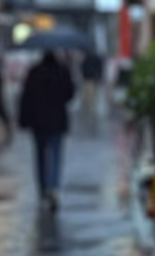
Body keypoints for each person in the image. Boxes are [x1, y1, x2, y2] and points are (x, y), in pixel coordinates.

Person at [18, 51, 74, 211]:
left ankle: (42, 188)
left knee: (40, 156)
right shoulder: (63, 71)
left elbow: (26, 97)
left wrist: (23, 120)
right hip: (57, 121)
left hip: (38, 122)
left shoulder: (34, 72)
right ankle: (53, 186)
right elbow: (70, 93)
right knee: (55, 154)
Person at [80, 50, 104, 120]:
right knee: (92, 93)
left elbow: (83, 68)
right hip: (93, 78)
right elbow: (99, 68)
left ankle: (89, 107)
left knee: (89, 94)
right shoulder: (96, 59)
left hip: (89, 78)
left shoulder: (86, 59)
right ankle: (90, 107)